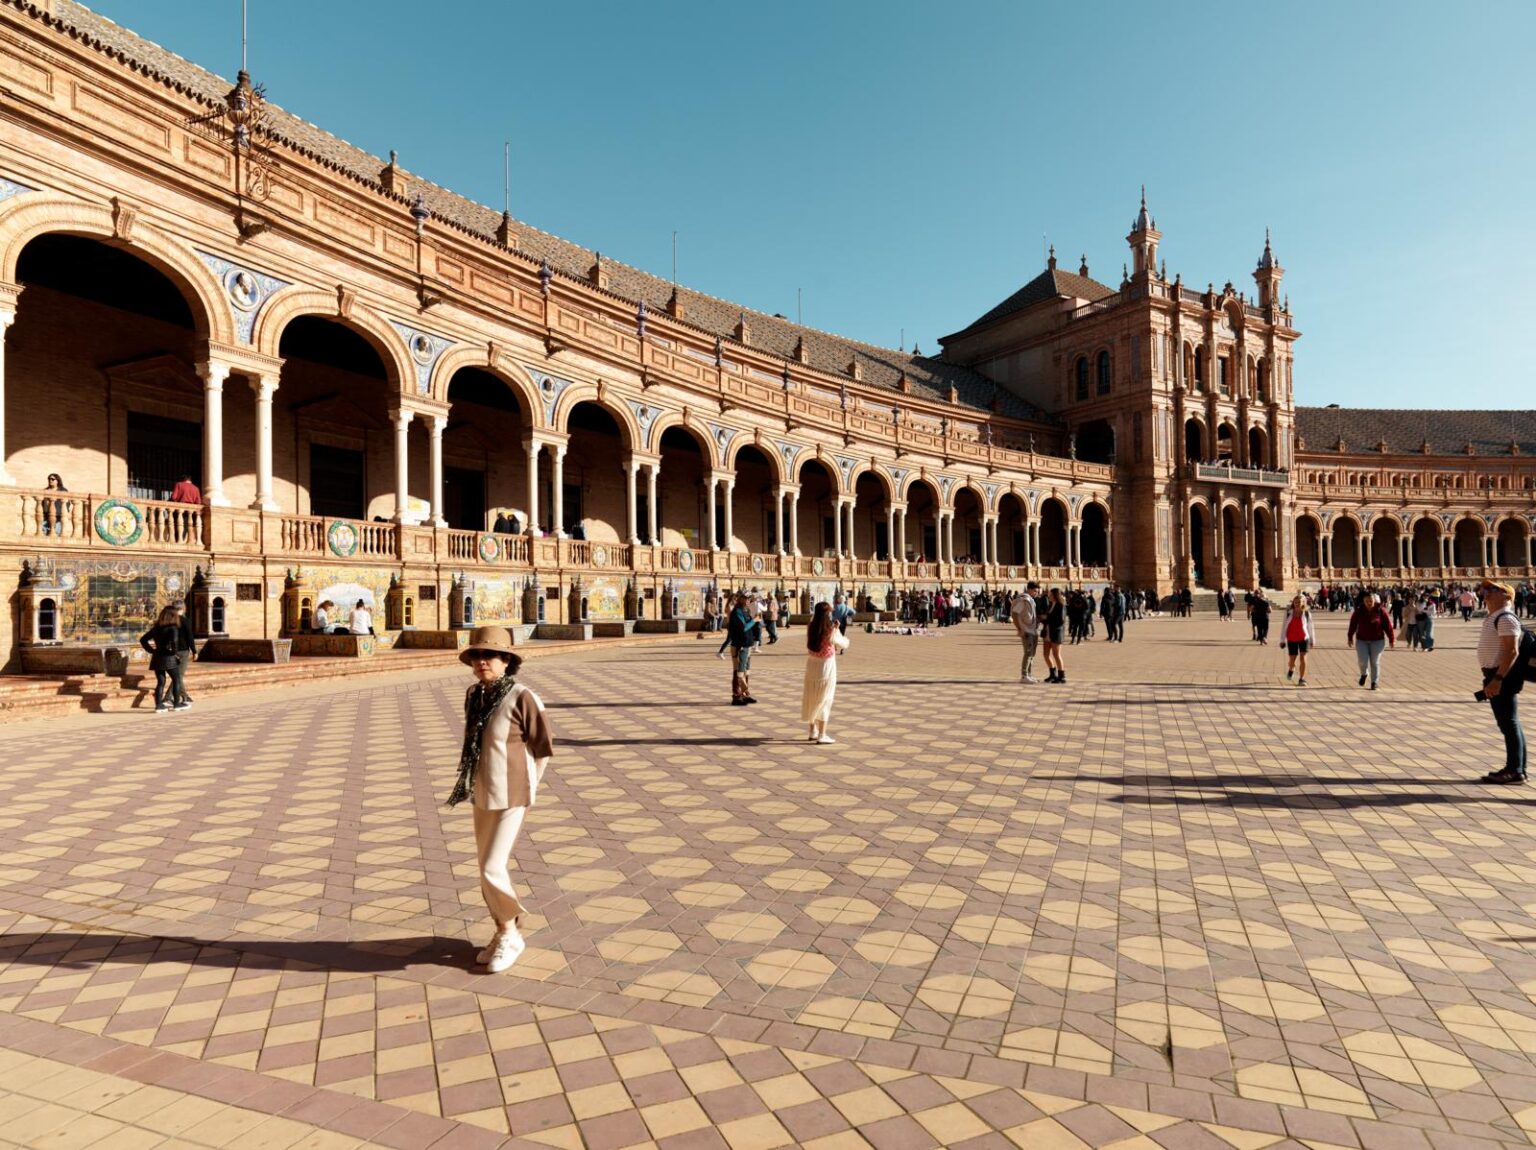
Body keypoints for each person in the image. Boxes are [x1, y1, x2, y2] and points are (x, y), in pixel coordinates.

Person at [447, 626, 555, 971]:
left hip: (512, 794)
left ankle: (511, 933)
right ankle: (500, 929)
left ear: (507, 661)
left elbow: (542, 748)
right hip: (482, 790)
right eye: (477, 656)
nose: (482, 662)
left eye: (490, 656)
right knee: (484, 870)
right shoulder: (474, 695)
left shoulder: (523, 697)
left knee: (493, 866)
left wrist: (531, 787)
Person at [1476, 581, 1527, 784]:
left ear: (1507, 597)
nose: (1486, 593)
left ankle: (1514, 770)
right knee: (1509, 723)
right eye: (1486, 590)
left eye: (1493, 590)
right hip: (1494, 674)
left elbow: (1512, 650)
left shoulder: (1506, 618)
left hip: (1501, 676)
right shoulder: (1495, 617)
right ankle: (1517, 768)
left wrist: (1497, 679)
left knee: (1509, 723)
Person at [801, 602, 850, 744]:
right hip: (826, 665)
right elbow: (844, 643)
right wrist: (837, 629)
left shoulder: (811, 626)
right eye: (830, 612)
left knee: (811, 696)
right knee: (825, 698)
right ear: (827, 614)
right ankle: (822, 734)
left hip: (812, 664)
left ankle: (812, 730)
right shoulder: (830, 629)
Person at [1346, 591, 1395, 690]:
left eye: (1371, 600)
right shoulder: (1359, 611)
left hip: (1377, 640)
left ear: (1374, 600)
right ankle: (1364, 674)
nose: (1369, 603)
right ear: (1363, 601)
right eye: (1367, 601)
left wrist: (1391, 639)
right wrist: (1350, 637)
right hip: (1362, 640)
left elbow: (1388, 626)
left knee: (1375, 662)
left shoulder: (1380, 610)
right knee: (1362, 661)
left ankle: (1374, 682)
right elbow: (1353, 624)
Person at [138, 605, 182, 714]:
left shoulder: (156, 628)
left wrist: (152, 651)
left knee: (161, 682)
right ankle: (177, 703)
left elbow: (143, 640)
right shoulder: (173, 628)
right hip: (168, 657)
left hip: (157, 656)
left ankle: (159, 705)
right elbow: (174, 642)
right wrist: (174, 653)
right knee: (176, 679)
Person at [726, 592, 760, 705]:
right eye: (745, 598)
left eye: (749, 598)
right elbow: (743, 628)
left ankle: (745, 694)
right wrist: (754, 621)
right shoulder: (737, 612)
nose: (747, 600)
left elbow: (751, 625)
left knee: (746, 671)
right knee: (738, 671)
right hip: (739, 645)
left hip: (747, 644)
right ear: (740, 599)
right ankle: (736, 696)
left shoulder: (746, 611)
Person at [1281, 594, 1315, 686]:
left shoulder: (1307, 613)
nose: (1297, 604)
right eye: (1295, 602)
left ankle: (1302, 678)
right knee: (1292, 660)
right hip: (1291, 638)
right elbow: (1284, 626)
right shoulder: (1288, 612)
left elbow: (1310, 627)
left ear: (1303, 603)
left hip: (1304, 638)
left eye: (1299, 602)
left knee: (1303, 658)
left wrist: (1312, 640)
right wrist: (1282, 640)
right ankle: (1291, 669)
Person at [1011, 580, 1040, 683]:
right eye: (1035, 591)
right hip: (1026, 629)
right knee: (1028, 652)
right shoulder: (1024, 600)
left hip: (1033, 630)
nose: (1037, 593)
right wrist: (1019, 628)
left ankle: (1029, 674)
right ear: (1029, 589)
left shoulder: (1031, 600)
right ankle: (1024, 675)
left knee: (1032, 653)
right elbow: (1015, 614)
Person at [172, 601, 197, 710]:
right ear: (183, 608)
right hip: (183, 651)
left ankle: (176, 697)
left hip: (172, 651)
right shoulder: (185, 621)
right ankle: (183, 696)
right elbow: (190, 637)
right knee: (179, 675)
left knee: (177, 675)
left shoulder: (170, 621)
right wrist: (194, 651)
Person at [1042, 588, 1067, 684]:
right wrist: (1043, 619)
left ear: (1055, 595)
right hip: (1047, 632)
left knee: (1056, 654)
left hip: (1056, 632)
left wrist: (1047, 619)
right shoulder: (1050, 605)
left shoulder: (1061, 605)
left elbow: (1061, 620)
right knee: (1046, 654)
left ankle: (1061, 676)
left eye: (1050, 595)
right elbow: (1048, 617)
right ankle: (1052, 674)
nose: (1049, 596)